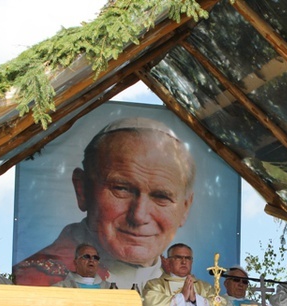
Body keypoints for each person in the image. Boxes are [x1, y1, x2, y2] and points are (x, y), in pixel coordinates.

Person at [13, 117, 195, 290]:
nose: (139, 216)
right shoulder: (36, 278)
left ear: (185, 208)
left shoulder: (186, 285)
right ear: (82, 190)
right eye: (122, 189)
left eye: (162, 196)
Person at [142, 243, 220, 306]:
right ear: (168, 261)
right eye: (178, 257)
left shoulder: (205, 287)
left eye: (188, 258)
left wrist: (196, 299)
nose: (184, 262)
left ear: (192, 261)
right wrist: (181, 297)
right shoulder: (156, 285)